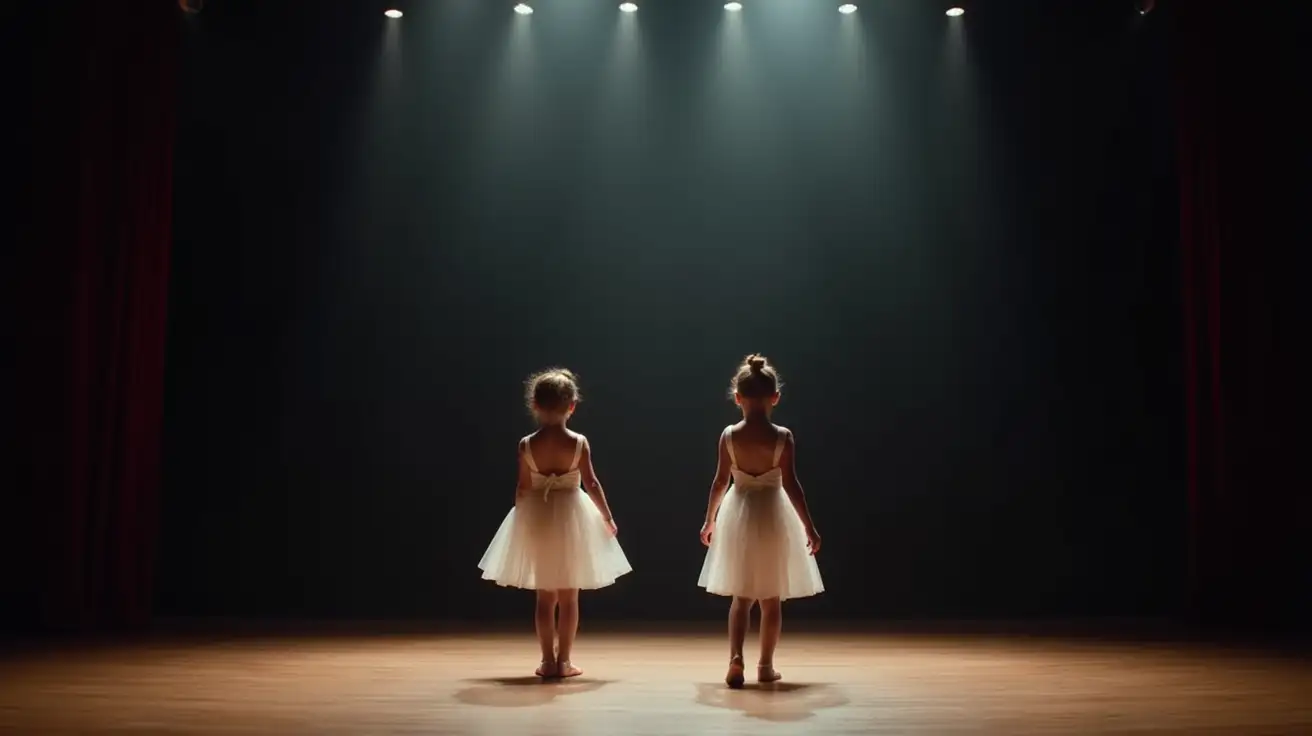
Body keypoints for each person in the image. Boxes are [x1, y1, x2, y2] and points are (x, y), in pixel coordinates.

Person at [478, 368, 631, 678]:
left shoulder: (526, 444)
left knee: (545, 596)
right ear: (572, 405)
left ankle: (547, 660)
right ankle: (565, 661)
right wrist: (607, 516)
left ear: (534, 405)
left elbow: (522, 488)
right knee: (569, 595)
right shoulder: (578, 442)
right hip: (574, 519)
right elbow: (592, 483)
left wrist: (522, 521)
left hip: (539, 517)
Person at [698, 354, 824, 688]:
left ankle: (735, 658)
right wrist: (808, 526)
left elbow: (719, 483)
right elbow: (793, 485)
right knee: (771, 598)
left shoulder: (729, 436)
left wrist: (709, 520)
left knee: (741, 597)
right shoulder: (782, 436)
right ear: (775, 398)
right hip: (773, 516)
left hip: (738, 513)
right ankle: (765, 665)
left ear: (737, 397)